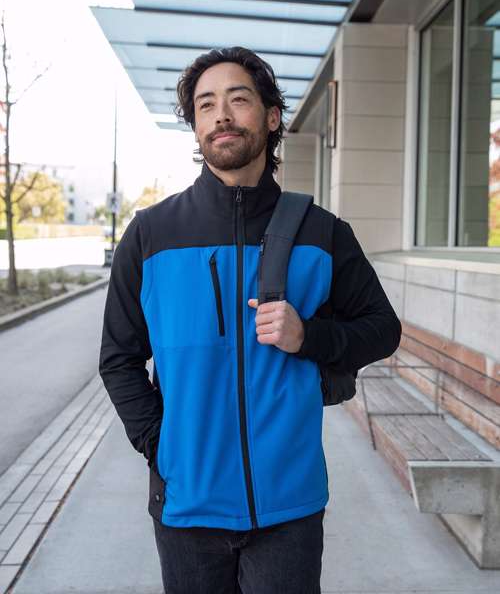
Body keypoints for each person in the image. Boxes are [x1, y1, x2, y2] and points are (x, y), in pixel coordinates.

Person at [99, 46, 402, 594]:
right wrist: (160, 443)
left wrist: (309, 336)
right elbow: (119, 359)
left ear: (271, 116)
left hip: (289, 506)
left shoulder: (323, 233)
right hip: (187, 504)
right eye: (205, 104)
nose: (221, 115)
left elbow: (383, 329)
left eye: (238, 99)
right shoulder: (150, 235)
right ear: (195, 126)